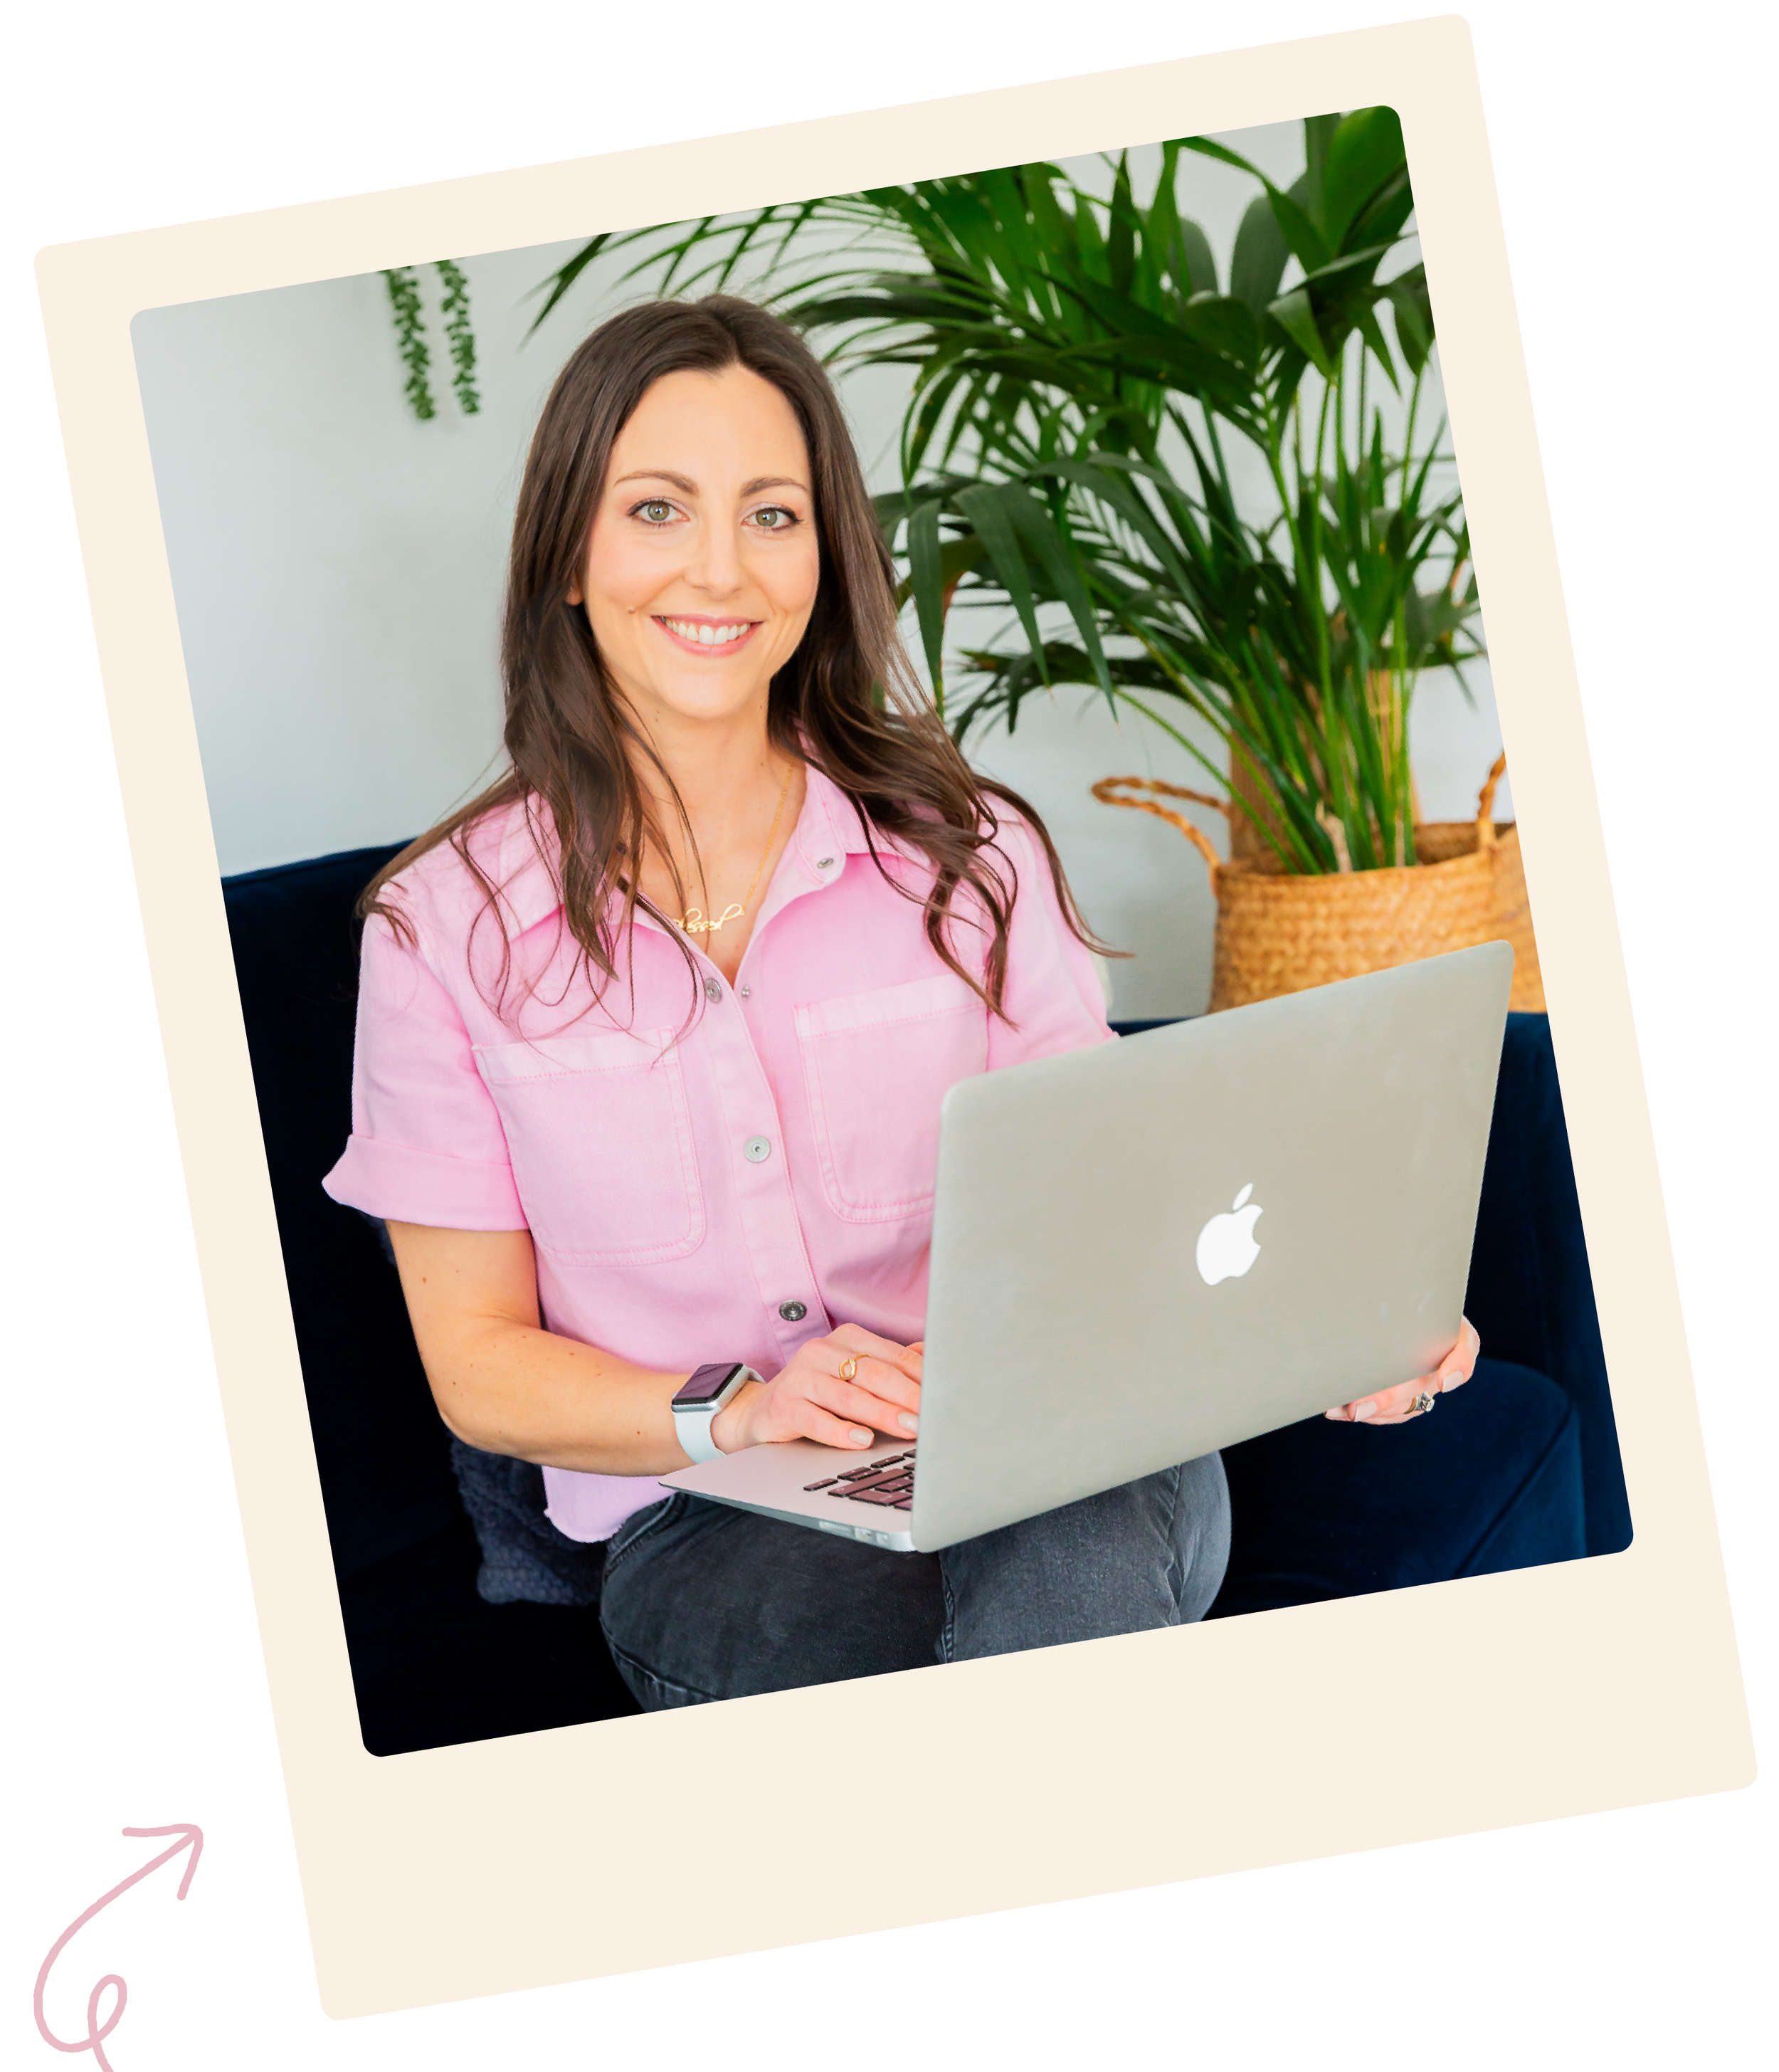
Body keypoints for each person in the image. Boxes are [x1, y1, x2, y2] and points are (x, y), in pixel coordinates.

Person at [323, 294, 1479, 1712]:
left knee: (1068, 1528)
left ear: (823, 554)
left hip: (1060, 1436)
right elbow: (479, 1368)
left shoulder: (968, 854)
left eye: (771, 514)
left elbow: (1126, 1190)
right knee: (1018, 1611)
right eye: (654, 509)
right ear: (567, 550)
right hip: (716, 1509)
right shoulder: (442, 930)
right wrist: (736, 1409)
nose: (718, 568)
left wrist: (1337, 1322)